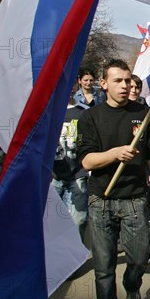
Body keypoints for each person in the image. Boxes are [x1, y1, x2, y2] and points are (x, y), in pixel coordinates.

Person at [78, 59, 150, 299]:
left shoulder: (144, 113)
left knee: (139, 258)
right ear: (104, 84)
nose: (126, 86)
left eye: (128, 80)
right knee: (104, 268)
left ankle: (132, 284)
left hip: (135, 199)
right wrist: (115, 153)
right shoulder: (91, 118)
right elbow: (88, 161)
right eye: (118, 81)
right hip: (100, 200)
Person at [52, 84, 89, 243]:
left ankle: (74, 256)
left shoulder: (84, 112)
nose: (69, 87)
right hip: (52, 176)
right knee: (50, 222)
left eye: (72, 82)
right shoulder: (48, 111)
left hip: (78, 176)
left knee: (79, 220)